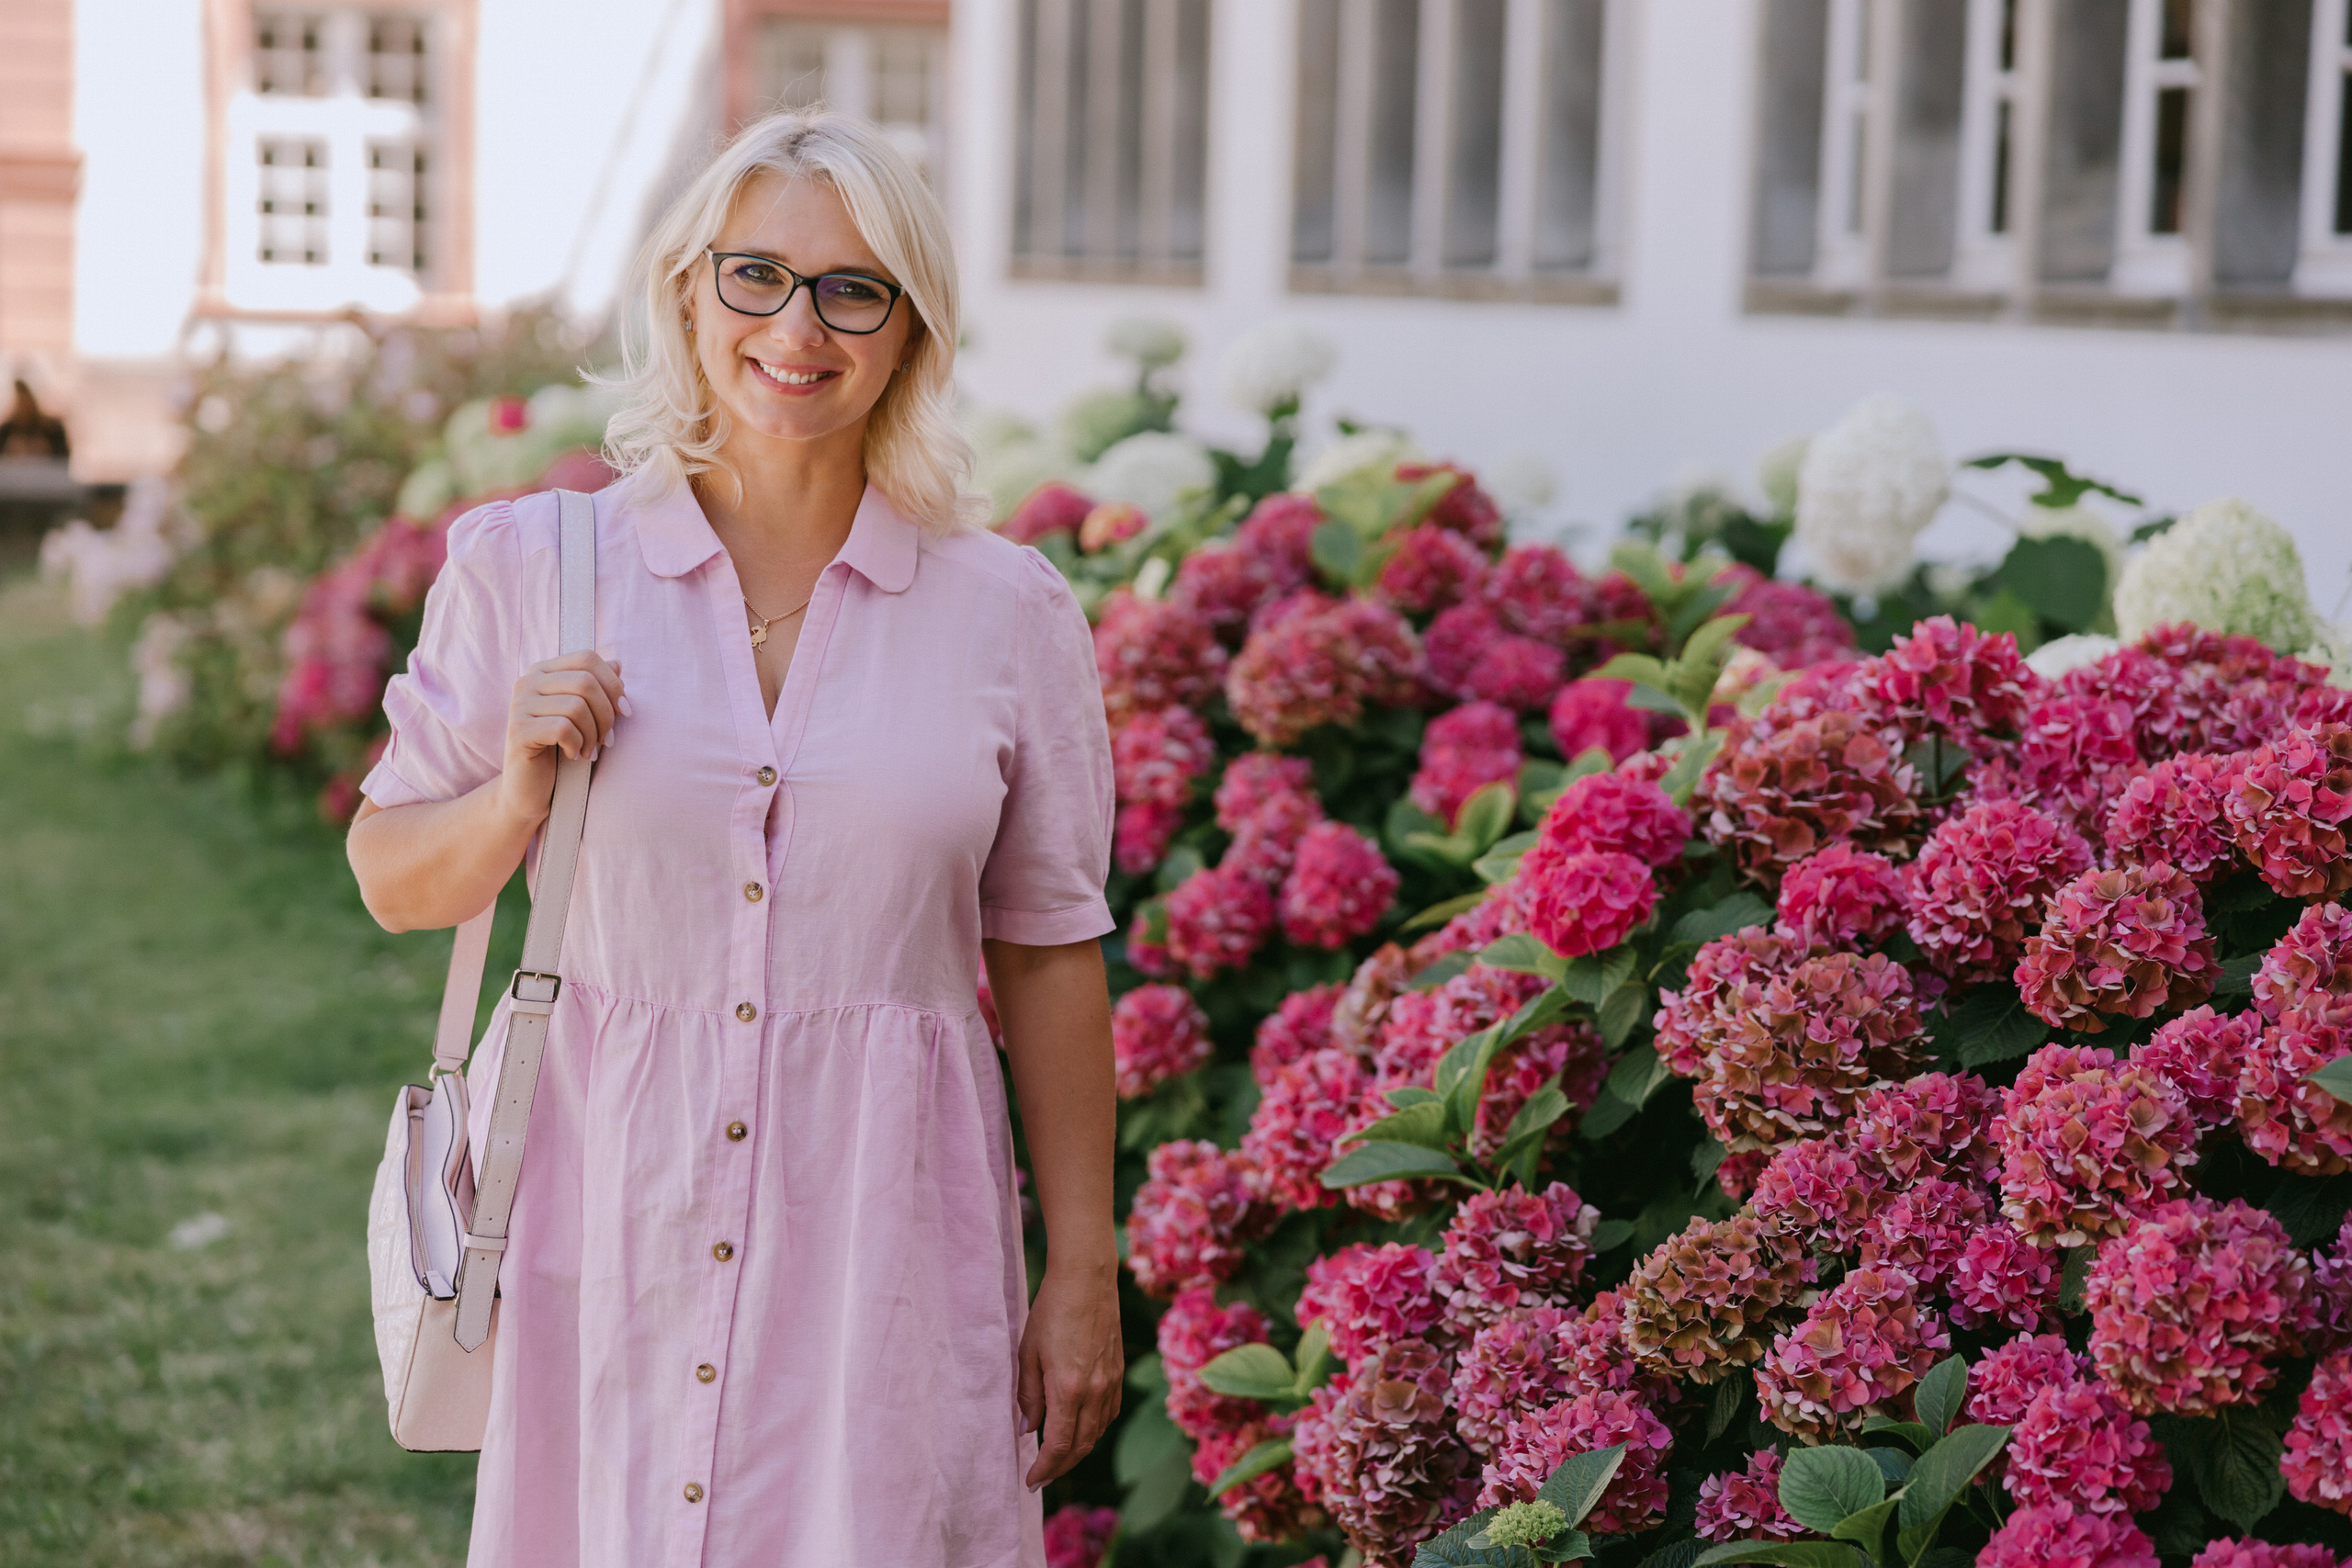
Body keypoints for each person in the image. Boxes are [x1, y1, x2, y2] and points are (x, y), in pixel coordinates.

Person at [345, 109, 1123, 1566]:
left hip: (886, 1249)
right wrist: (515, 797)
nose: (798, 326)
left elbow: (1049, 955)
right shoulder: (534, 567)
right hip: (613, 1218)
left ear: (910, 330)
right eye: (755, 274)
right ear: (689, 291)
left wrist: (1085, 1272)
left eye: (853, 288)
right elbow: (392, 879)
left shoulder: (1007, 613)